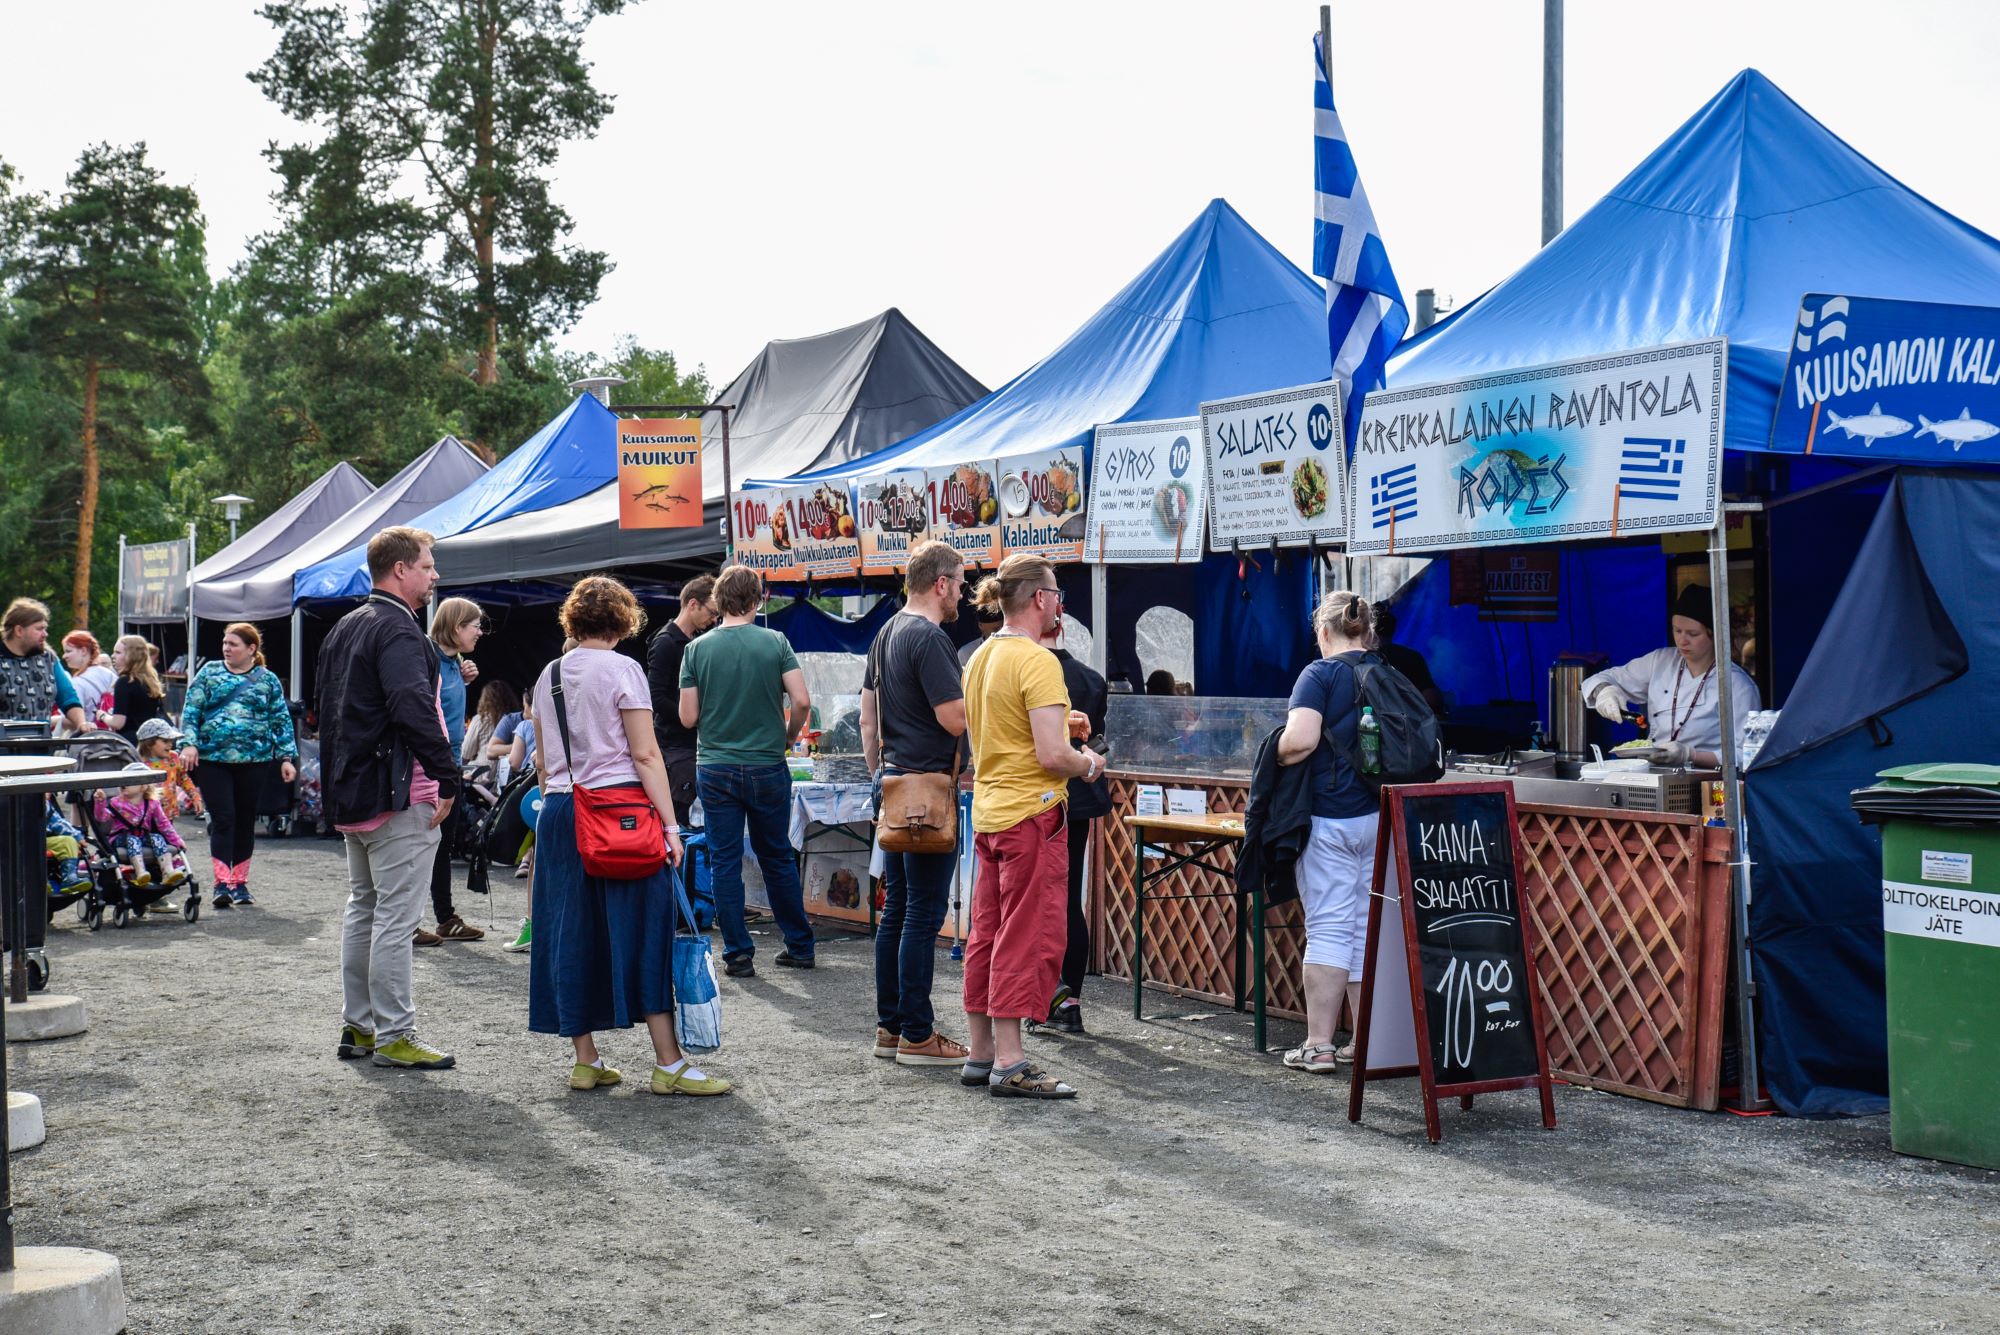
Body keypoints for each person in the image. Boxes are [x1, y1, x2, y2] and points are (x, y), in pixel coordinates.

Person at [529, 575, 730, 1097]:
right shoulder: (624, 669)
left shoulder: (548, 673)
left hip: (560, 811)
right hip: (619, 813)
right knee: (646, 931)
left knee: (570, 932)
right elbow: (645, 754)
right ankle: (668, 1062)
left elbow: (543, 760)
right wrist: (669, 825)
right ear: (623, 620)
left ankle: (586, 1060)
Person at [317, 526, 462, 1071]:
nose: (434, 575)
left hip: (358, 792)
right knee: (394, 918)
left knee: (365, 910)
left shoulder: (345, 627)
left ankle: (362, 1026)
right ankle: (394, 1033)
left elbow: (327, 711)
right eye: (427, 565)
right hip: (398, 794)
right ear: (400, 569)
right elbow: (412, 706)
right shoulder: (399, 631)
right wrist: (449, 777)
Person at [960, 553, 1102, 1098]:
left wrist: (1061, 724)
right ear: (1040, 599)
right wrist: (1087, 762)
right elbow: (1051, 757)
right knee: (1025, 935)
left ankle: (982, 1054)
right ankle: (1012, 1062)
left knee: (986, 935)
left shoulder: (980, 658)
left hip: (992, 814)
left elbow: (999, 730)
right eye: (1057, 593)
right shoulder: (1040, 662)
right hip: (1031, 815)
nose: (1060, 602)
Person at [860, 540, 972, 1068]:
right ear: (940, 583)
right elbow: (954, 718)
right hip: (929, 789)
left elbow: (867, 719)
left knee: (898, 911)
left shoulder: (885, 633)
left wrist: (880, 776)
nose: (964, 593)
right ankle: (918, 1035)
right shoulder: (929, 638)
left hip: (897, 784)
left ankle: (891, 1028)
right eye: (961, 582)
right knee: (921, 915)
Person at [679, 565, 816, 978]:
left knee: (724, 861)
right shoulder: (776, 642)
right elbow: (803, 701)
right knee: (777, 856)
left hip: (716, 766)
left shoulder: (697, 650)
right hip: (767, 764)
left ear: (718, 602)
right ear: (758, 599)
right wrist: (788, 736)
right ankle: (800, 945)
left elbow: (688, 718)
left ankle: (738, 953)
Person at [1273, 591, 1381, 1073]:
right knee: (1364, 928)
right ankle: (1367, 1042)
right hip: (1378, 817)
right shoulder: (1388, 673)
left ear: (1323, 633)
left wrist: (1270, 755)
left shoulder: (1318, 674)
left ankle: (1318, 1044)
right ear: (1369, 632)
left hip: (1329, 818)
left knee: (1329, 928)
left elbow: (1300, 741)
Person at [1580, 584, 1763, 768]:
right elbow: (1601, 678)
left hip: (1706, 782)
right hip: (1653, 775)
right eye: (1677, 631)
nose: (1682, 640)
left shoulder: (1738, 685)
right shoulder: (1660, 661)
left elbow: (1747, 754)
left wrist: (1690, 755)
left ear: (1714, 634)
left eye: (1693, 633)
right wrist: (1605, 691)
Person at [180, 621, 297, 907]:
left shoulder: (267, 680)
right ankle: (221, 883)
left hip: (255, 761)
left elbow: (280, 719)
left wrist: (286, 758)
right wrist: (189, 743)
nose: (226, 649)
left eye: (233, 644)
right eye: (224, 644)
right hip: (213, 760)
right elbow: (191, 711)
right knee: (223, 818)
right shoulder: (209, 673)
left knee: (245, 820)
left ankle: (240, 883)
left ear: (251, 649)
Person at [1034, 619, 1109, 1036]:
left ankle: (1049, 998)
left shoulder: (1024, 670)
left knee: (1042, 900)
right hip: (1080, 796)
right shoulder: (1091, 679)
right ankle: (1070, 1000)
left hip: (1043, 796)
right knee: (1069, 894)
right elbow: (1096, 741)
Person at [421, 597, 486, 945]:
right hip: (429, 767)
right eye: (474, 625)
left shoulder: (452, 661)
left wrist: (464, 679)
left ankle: (444, 918)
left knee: (441, 845)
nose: (479, 631)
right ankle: (410, 921)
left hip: (451, 764)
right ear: (457, 626)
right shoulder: (426, 657)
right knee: (420, 845)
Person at [646, 573, 718, 825]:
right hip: (674, 747)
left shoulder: (696, 643)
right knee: (678, 819)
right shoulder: (666, 642)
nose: (714, 620)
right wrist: (690, 718)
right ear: (692, 604)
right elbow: (654, 697)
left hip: (692, 745)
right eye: (711, 612)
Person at [0, 598, 90, 733]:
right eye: (39, 629)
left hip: (41, 748)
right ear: (19, 631)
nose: (45, 634)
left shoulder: (48, 658)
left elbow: (68, 697)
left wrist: (82, 724)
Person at [93, 781, 192, 889]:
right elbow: (101, 818)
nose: (123, 784)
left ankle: (167, 871)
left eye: (130, 782)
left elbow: (164, 824)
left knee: (157, 837)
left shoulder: (152, 803)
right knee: (133, 840)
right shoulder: (116, 802)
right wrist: (100, 802)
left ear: (143, 787)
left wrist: (177, 841)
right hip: (121, 838)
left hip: (142, 836)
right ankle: (140, 872)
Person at [1372, 606, 1445, 715]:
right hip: (1406, 726)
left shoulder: (1361, 658)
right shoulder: (1412, 657)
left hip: (1369, 726)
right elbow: (1431, 699)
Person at [137, 719, 205, 821]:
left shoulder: (173, 758)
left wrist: (195, 797)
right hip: (144, 815)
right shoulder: (138, 763)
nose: (170, 744)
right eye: (165, 741)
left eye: (171, 740)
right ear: (149, 743)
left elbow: (183, 779)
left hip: (168, 814)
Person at [102, 634, 164, 743]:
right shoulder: (151, 682)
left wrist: (102, 716)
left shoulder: (125, 682)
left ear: (131, 655)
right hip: (149, 743)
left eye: (118, 652)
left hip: (129, 744)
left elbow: (118, 722)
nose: (113, 656)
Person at [461, 680, 522, 785]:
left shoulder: (480, 720)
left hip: (481, 775)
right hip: (508, 777)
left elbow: (466, 752)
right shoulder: (514, 721)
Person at [62, 632, 117, 713]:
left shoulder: (78, 682)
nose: (64, 656)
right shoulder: (109, 675)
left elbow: (74, 718)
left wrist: (53, 720)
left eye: (68, 651)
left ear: (83, 651)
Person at [956, 600, 1003, 668]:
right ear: (981, 625)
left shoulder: (1012, 648)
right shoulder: (966, 653)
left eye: (1002, 628)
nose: (1000, 633)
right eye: (995, 629)